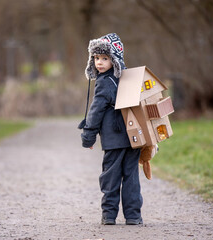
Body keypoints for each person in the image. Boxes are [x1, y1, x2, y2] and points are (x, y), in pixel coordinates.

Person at [78, 33, 143, 225]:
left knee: (110, 178)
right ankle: (133, 216)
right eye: (96, 58)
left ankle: (109, 216)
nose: (99, 62)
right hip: (133, 136)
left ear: (114, 59)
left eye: (105, 58)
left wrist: (88, 137)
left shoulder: (105, 81)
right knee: (131, 177)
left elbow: (96, 111)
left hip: (114, 139)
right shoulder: (127, 78)